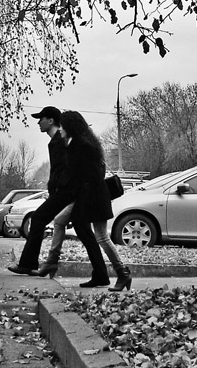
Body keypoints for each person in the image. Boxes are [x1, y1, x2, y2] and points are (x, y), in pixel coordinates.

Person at [59, 110, 132, 291]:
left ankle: (122, 273)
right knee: (100, 236)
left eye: (62, 125)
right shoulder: (90, 143)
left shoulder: (78, 145)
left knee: (102, 237)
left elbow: (78, 175)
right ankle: (110, 274)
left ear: (70, 126)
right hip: (97, 195)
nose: (60, 129)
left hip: (93, 197)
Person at [7, 106, 74, 276]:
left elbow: (65, 168)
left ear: (50, 120)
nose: (38, 122)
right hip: (64, 191)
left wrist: (57, 187)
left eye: (41, 118)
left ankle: (28, 264)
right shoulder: (56, 140)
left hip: (66, 191)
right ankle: (102, 273)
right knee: (82, 229)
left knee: (37, 219)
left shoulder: (60, 139)